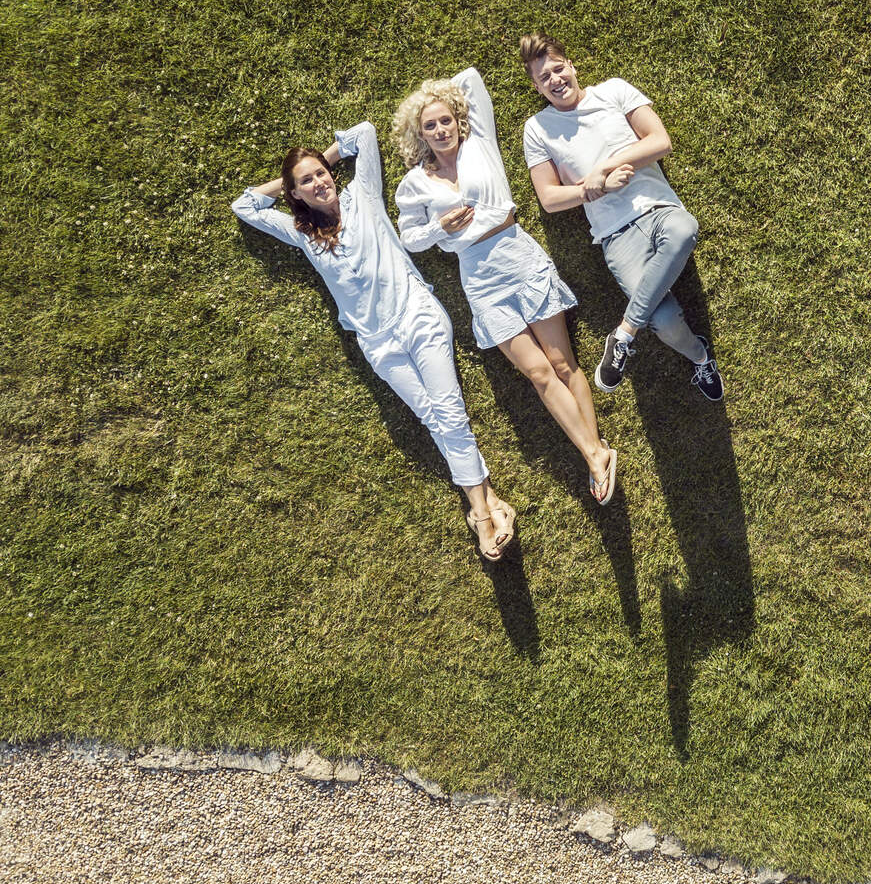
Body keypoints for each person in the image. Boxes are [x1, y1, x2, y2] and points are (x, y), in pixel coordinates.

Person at [231, 122, 516, 560]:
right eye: (306, 182)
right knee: (432, 416)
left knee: (449, 411)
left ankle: (479, 514)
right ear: (296, 195)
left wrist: (325, 159)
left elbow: (363, 134)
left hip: (418, 316)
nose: (318, 182)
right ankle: (492, 499)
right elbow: (245, 205)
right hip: (377, 341)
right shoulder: (300, 231)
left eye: (320, 174)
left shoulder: (361, 196)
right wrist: (290, 182)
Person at [391, 68, 619, 505]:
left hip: (517, 253)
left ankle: (595, 457)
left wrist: (436, 95)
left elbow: (472, 80)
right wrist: (439, 227)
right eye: (429, 125)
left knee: (562, 363)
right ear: (418, 135)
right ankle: (595, 453)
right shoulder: (414, 183)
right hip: (477, 276)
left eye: (445, 120)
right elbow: (410, 238)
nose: (440, 130)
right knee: (537, 373)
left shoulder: (480, 143)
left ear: (459, 121)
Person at [519, 33, 724, 400]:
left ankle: (625, 333)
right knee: (663, 321)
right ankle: (700, 356)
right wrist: (593, 189)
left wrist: (605, 167)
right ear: (536, 87)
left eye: (557, 69)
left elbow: (660, 141)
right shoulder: (537, 129)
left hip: (657, 209)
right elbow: (549, 198)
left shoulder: (613, 91)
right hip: (616, 236)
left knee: (684, 229)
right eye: (543, 78)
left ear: (571, 66)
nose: (554, 80)